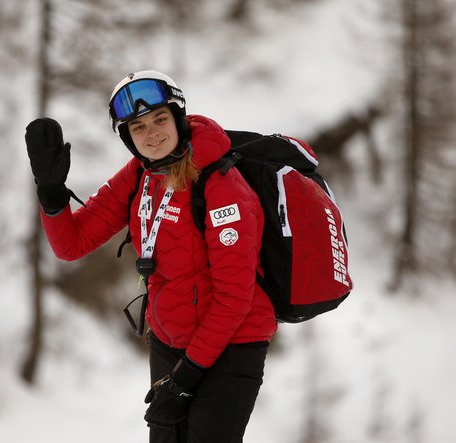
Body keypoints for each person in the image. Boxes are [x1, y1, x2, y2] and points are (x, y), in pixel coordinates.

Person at [25, 70, 278, 443]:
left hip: (230, 347)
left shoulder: (221, 186)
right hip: (168, 342)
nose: (152, 133)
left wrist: (185, 379)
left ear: (178, 119)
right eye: (138, 127)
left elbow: (234, 299)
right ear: (128, 137)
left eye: (160, 119)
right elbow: (71, 245)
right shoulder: (139, 175)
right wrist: (50, 192)